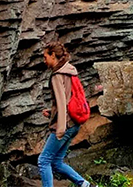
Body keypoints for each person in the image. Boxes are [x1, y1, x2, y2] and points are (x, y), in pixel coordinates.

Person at [39, 41, 93, 187]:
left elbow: (62, 103)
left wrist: (60, 129)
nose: (44, 60)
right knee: (56, 162)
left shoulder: (57, 75)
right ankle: (84, 185)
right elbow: (69, 99)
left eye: (45, 57)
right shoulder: (70, 71)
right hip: (74, 122)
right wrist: (52, 113)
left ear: (53, 55)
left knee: (43, 161)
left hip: (65, 125)